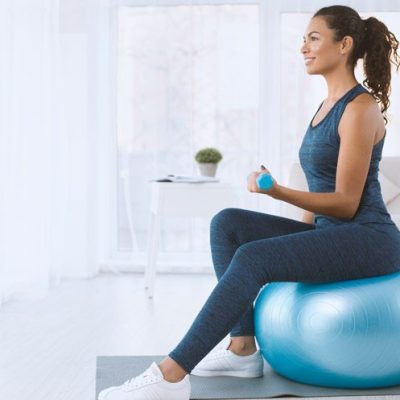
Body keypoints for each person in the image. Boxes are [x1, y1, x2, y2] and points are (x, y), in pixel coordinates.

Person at [98, 5, 400, 400]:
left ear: (344, 45)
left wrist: (275, 191)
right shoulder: (326, 107)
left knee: (254, 258)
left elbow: (345, 203)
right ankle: (242, 349)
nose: (302, 48)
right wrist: (299, 242)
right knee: (228, 224)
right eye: (302, 39)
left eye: (313, 38)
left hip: (368, 239)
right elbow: (319, 183)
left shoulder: (359, 109)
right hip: (335, 233)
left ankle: (171, 375)